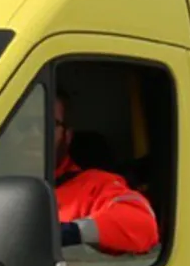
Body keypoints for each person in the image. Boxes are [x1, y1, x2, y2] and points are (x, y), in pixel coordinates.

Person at [52, 89, 159, 255]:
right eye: (23, 125)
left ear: (67, 135)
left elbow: (143, 225)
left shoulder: (95, 185)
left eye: (49, 124)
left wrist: (72, 232)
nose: (35, 132)